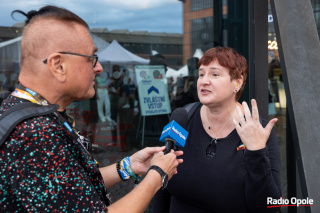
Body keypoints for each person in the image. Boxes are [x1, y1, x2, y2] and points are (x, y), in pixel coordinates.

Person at [0, 6, 183, 212]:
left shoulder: (36, 117)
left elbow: (74, 188)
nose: (99, 68)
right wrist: (158, 174)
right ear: (58, 65)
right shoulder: (34, 133)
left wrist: (129, 166)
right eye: (91, 58)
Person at [153, 47, 281, 213]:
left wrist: (256, 152)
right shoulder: (183, 117)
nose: (204, 81)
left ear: (237, 82)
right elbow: (162, 186)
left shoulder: (258, 131)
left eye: (215, 74)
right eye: (201, 74)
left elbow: (269, 206)